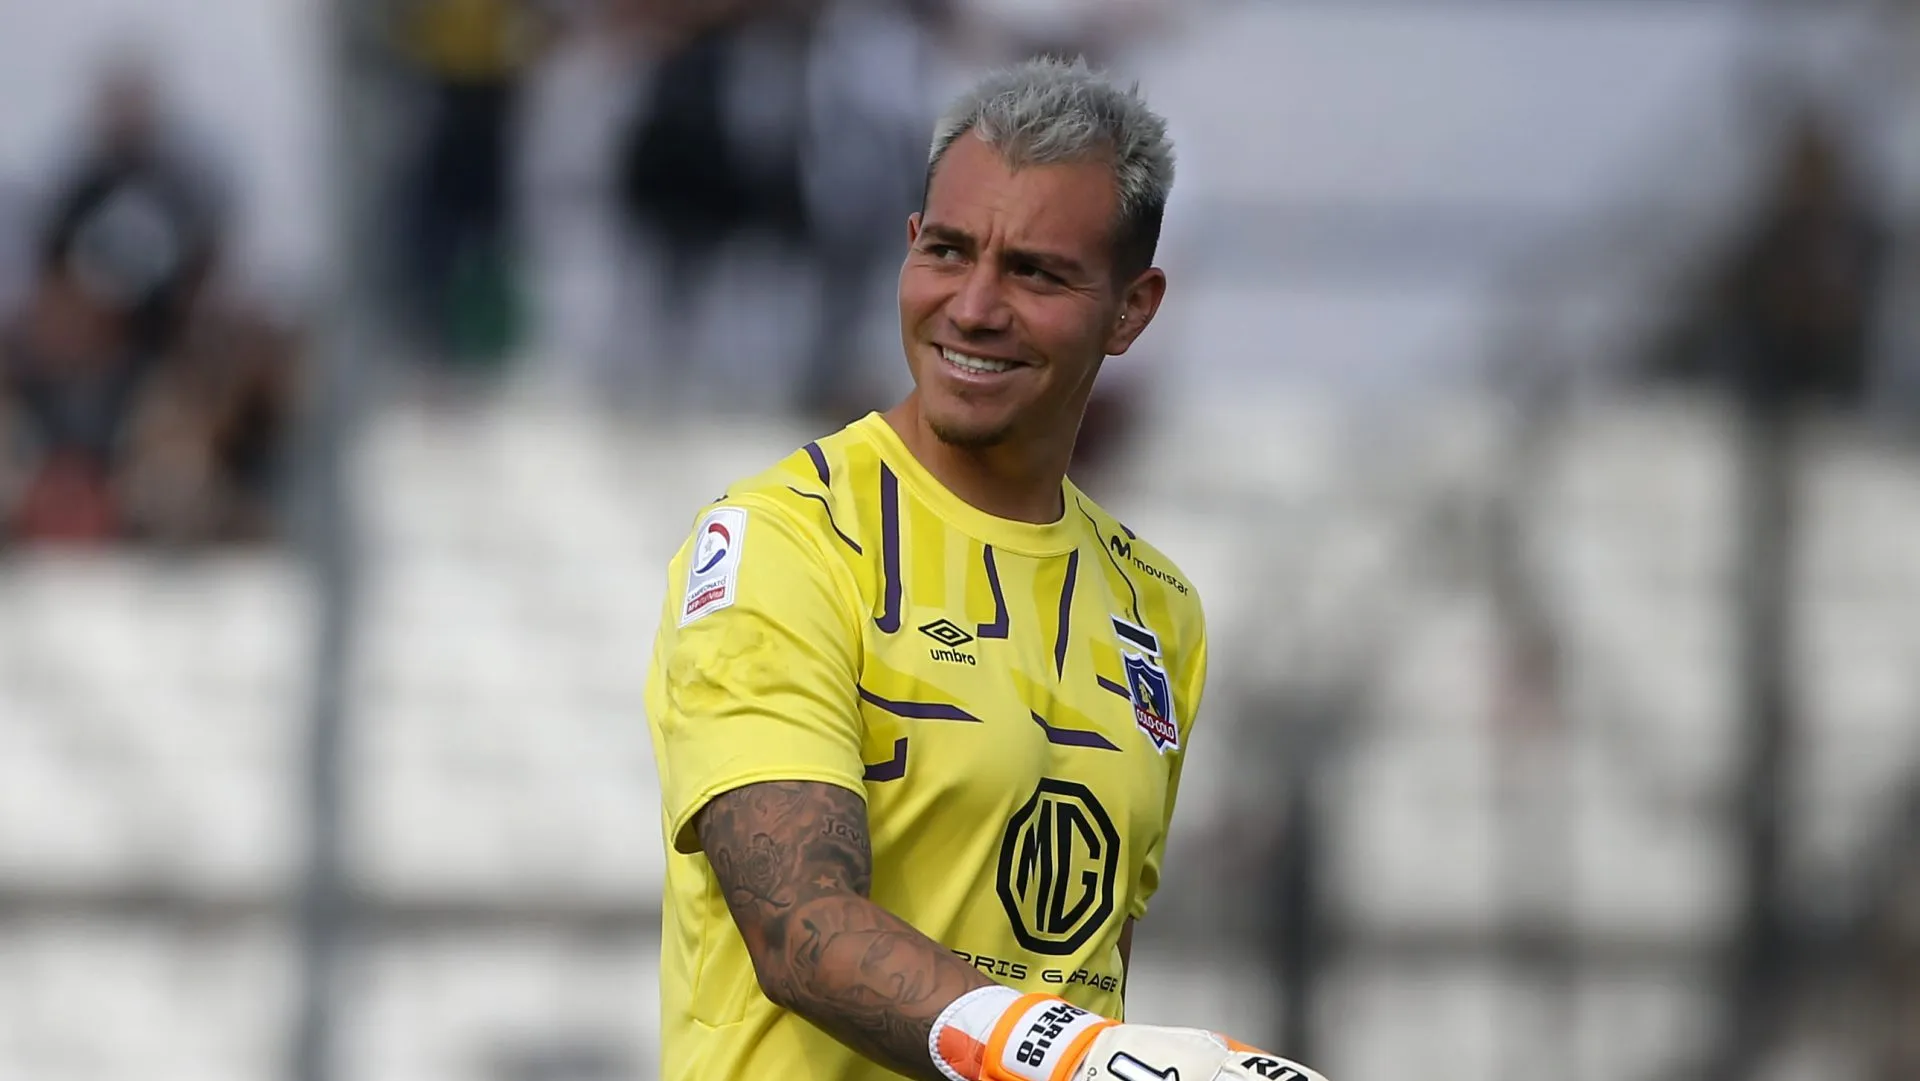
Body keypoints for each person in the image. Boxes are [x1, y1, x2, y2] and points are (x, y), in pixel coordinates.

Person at [643, 58, 1331, 1081]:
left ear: (1133, 309)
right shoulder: (783, 541)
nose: (972, 306)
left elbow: (1085, 967)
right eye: (950, 252)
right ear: (909, 249)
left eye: (1037, 272)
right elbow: (801, 930)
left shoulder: (1159, 609)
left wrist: (1105, 1055)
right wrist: (1082, 1057)